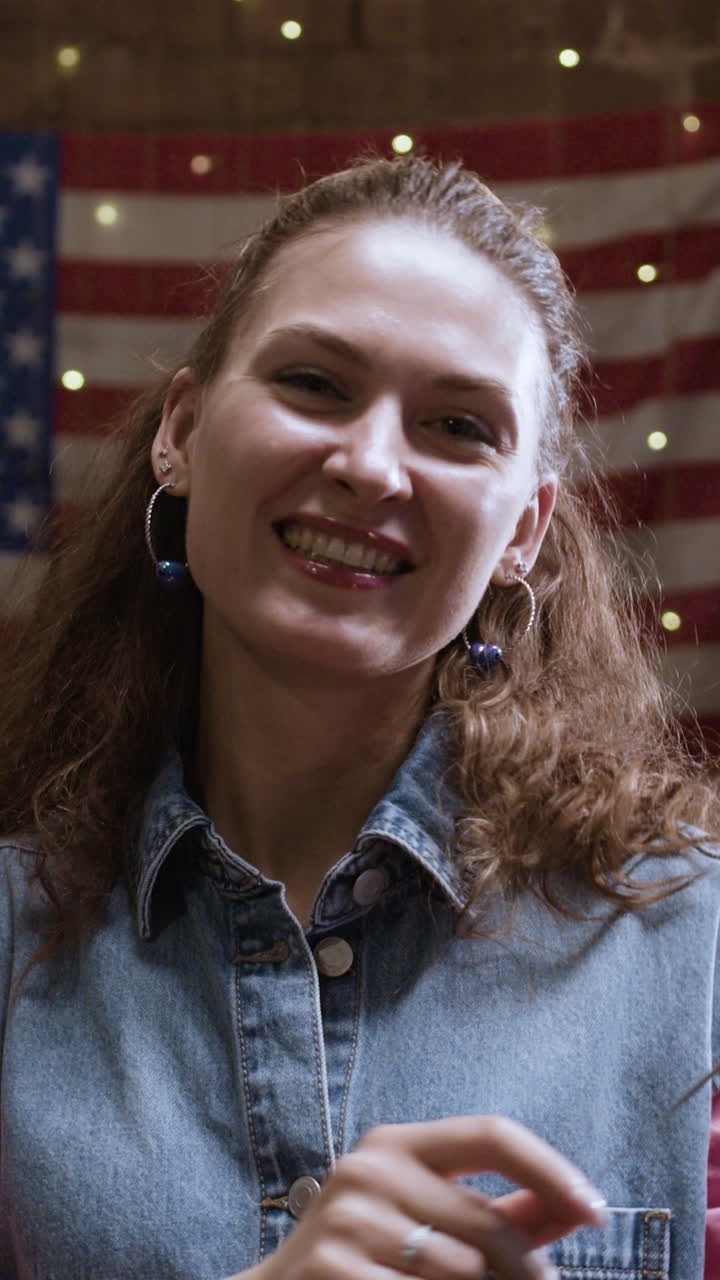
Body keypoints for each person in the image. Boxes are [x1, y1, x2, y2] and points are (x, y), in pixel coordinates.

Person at [0, 154, 719, 1280]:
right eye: (315, 385)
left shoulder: (697, 946)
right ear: (180, 431)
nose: (373, 465)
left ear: (524, 529)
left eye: (458, 425)